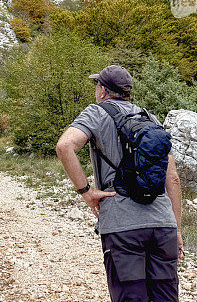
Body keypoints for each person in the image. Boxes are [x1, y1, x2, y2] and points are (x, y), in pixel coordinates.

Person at [56, 65, 183, 302]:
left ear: (103, 90)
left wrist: (87, 192)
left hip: (122, 225)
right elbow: (173, 178)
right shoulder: (150, 118)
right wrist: (175, 228)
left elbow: (65, 146)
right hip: (163, 225)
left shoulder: (95, 112)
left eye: (97, 85)